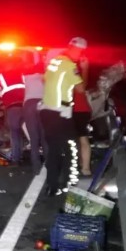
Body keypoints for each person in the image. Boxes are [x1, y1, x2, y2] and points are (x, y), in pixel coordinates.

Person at [40, 37, 88, 196]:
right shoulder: (70, 65)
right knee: (70, 147)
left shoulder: (55, 61)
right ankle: (64, 183)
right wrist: (85, 69)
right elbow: (81, 89)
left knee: (55, 149)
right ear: (75, 49)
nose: (79, 54)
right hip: (61, 113)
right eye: (80, 51)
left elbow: (44, 79)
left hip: (46, 111)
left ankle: (53, 185)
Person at [22, 53, 47, 174]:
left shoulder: (26, 77)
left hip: (29, 104)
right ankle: (49, 164)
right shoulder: (45, 77)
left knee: (34, 139)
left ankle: (36, 168)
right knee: (44, 137)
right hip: (42, 104)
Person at [0, 55, 26, 164]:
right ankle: (21, 155)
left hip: (12, 107)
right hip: (23, 106)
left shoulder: (2, 75)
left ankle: (15, 157)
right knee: (20, 131)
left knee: (14, 132)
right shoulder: (21, 74)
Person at [72, 57, 93, 177]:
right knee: (81, 138)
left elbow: (80, 88)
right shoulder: (76, 71)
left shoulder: (72, 71)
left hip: (77, 110)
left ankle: (84, 167)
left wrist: (85, 69)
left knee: (80, 139)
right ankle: (84, 166)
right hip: (80, 109)